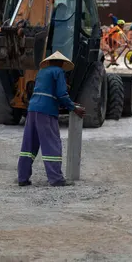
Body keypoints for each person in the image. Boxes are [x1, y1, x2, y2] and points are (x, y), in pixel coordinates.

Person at [18, 51, 85, 187]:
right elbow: (61, 94)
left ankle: (22, 178)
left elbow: (47, 92)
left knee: (29, 145)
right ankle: (56, 179)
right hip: (46, 111)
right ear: (61, 63)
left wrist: (66, 103)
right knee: (51, 143)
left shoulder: (42, 72)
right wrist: (74, 108)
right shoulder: (59, 72)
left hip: (32, 109)